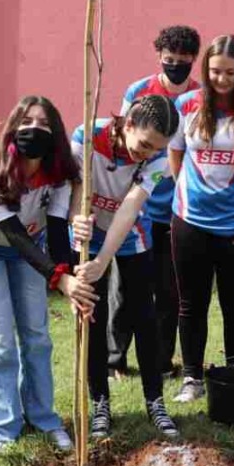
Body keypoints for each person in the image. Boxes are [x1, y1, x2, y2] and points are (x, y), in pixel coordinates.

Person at [0, 96, 98, 452]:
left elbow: (55, 230)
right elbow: (15, 237)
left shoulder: (61, 174)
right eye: (26, 122)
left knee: (37, 334)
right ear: (12, 127)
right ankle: (6, 427)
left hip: (31, 249)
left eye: (43, 124)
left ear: (55, 133)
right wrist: (59, 279)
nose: (33, 130)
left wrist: (71, 280)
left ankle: (44, 418)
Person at [71, 94, 183, 440]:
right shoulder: (87, 136)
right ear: (128, 123)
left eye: (156, 149)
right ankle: (100, 401)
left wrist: (104, 259)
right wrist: (78, 222)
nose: (148, 153)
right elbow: (77, 190)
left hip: (130, 234)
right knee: (93, 314)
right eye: (145, 144)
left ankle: (155, 400)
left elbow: (130, 208)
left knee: (143, 316)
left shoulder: (159, 157)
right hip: (89, 230)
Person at [169, 34, 234, 403]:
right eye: (214, 72)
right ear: (205, 71)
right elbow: (176, 155)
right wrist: (192, 192)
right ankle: (192, 377)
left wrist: (231, 197)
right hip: (190, 219)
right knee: (191, 303)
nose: (222, 79)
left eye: (229, 72)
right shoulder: (185, 104)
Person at [116, 25, 202, 376]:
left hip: (177, 207)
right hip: (137, 205)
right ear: (159, 57)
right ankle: (115, 360)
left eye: (183, 61)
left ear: (194, 60)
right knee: (124, 288)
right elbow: (124, 139)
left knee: (170, 291)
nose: (176, 66)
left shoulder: (199, 95)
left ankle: (162, 361)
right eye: (170, 60)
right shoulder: (139, 91)